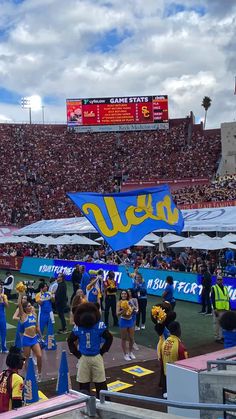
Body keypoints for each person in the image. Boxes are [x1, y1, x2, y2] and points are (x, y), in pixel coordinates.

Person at [67, 302, 113, 398]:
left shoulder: (99, 326)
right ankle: (85, 405)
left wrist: (102, 351)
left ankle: (104, 404)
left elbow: (109, 338)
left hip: (96, 356)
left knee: (100, 383)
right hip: (84, 358)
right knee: (84, 384)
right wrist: (77, 354)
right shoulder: (78, 328)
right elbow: (70, 340)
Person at [17, 292, 42, 381]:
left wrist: (41, 337)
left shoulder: (34, 315)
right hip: (26, 339)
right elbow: (19, 304)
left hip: (34, 338)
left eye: (30, 305)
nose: (30, 307)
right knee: (26, 359)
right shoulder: (23, 316)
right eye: (28, 306)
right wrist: (20, 293)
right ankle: (28, 375)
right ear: (24, 308)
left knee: (39, 355)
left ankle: (39, 374)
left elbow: (37, 327)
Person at [160, 321, 188, 398]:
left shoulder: (164, 343)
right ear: (179, 331)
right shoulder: (180, 347)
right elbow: (185, 365)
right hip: (177, 378)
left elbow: (161, 361)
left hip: (166, 375)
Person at [0, 346, 25, 412]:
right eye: (22, 360)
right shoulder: (18, 379)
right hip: (6, 414)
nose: (23, 362)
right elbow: (17, 405)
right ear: (17, 362)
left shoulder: (2, 374)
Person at [116, 290, 135, 361]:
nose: (123, 295)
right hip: (123, 321)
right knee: (124, 338)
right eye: (122, 294)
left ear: (127, 295)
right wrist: (124, 310)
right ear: (121, 295)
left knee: (131, 338)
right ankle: (125, 354)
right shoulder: (119, 302)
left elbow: (134, 308)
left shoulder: (130, 301)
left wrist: (132, 309)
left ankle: (130, 352)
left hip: (130, 320)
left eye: (125, 294)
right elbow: (117, 314)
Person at [211, 275, 230, 343]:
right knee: (217, 323)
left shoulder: (225, 288)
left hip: (224, 309)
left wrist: (229, 308)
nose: (220, 280)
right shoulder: (214, 287)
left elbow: (227, 298)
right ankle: (217, 338)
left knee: (222, 324)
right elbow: (212, 298)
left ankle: (221, 336)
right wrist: (215, 308)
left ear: (222, 280)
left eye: (221, 279)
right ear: (216, 280)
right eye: (218, 279)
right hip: (218, 309)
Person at [0, 284, 8, 353]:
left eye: (1, 287)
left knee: (3, 332)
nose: (0, 288)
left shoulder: (4, 296)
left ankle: (3, 348)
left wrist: (3, 300)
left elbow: (7, 306)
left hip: (2, 317)